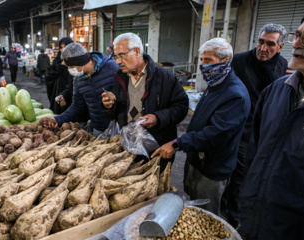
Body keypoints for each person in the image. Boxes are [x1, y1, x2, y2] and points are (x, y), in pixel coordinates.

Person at [152, 38, 251, 216]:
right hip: (197, 159)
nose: (203, 65)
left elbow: (215, 134)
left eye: (209, 60)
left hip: (212, 168)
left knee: (206, 215)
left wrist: (177, 144)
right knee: (194, 204)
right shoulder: (215, 84)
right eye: (202, 60)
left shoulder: (235, 95)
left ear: (225, 61)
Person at [239, 11, 304, 240]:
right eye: (297, 35)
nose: (298, 43)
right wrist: (248, 197)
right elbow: (255, 152)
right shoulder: (276, 92)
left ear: (278, 47)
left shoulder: (280, 66)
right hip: (255, 217)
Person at [221, 23, 288, 228]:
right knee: (240, 176)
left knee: (255, 173)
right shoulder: (239, 61)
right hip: (240, 130)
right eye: (260, 41)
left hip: (266, 130)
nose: (263, 48)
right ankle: (233, 218)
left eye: (270, 44)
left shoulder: (283, 64)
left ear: (280, 47)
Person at [101, 33, 189, 171]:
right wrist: (109, 106)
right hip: (127, 148)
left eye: (121, 55)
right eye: (116, 56)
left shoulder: (165, 77)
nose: (117, 61)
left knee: (155, 187)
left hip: (156, 150)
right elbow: (118, 112)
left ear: (136, 51)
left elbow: (181, 107)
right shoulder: (121, 78)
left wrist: (158, 118)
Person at [41, 43, 119, 136]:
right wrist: (59, 119)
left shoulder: (112, 68)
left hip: (118, 127)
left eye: (71, 66)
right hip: (98, 129)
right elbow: (77, 106)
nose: (69, 70)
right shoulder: (77, 79)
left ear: (80, 61)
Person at [45, 37, 74, 114]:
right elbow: (49, 74)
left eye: (65, 46)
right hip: (58, 89)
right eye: (61, 47)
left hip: (71, 89)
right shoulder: (58, 60)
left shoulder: (76, 59)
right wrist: (60, 66)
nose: (63, 49)